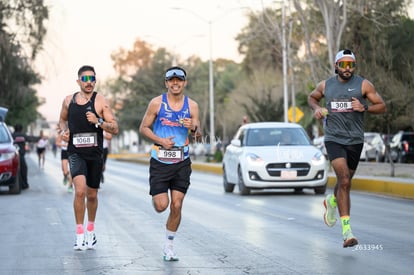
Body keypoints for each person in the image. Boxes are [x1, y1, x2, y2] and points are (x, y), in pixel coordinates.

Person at [308, 49, 386, 248]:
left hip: (355, 140)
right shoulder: (326, 85)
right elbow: (312, 97)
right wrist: (317, 108)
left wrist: (365, 108)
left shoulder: (363, 84)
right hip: (334, 139)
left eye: (350, 64)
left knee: (346, 181)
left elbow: (382, 106)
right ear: (336, 66)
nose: (347, 68)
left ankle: (332, 202)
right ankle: (347, 232)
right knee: (343, 180)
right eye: (343, 64)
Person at [139, 66, 200, 261]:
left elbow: (198, 135)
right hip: (160, 161)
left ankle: (169, 246)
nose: (175, 83)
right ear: (166, 83)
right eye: (171, 80)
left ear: (184, 83)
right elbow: (144, 128)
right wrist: (161, 140)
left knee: (177, 204)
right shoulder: (156, 104)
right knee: (161, 206)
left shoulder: (192, 106)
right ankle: (157, 197)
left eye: (179, 80)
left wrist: (194, 128)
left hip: (181, 161)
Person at [58, 65, 119, 251]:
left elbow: (115, 128)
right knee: (80, 191)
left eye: (92, 78)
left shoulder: (100, 101)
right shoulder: (68, 101)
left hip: (95, 154)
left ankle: (90, 230)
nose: (89, 82)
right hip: (75, 152)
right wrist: (63, 132)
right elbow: (62, 121)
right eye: (85, 79)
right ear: (78, 81)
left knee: (92, 195)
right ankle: (79, 234)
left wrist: (98, 121)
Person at [12, 124, 29, 189]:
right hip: (21, 155)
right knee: (24, 169)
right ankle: (24, 184)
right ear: (21, 129)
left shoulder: (11, 135)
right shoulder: (23, 136)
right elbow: (31, 138)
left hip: (12, 156)